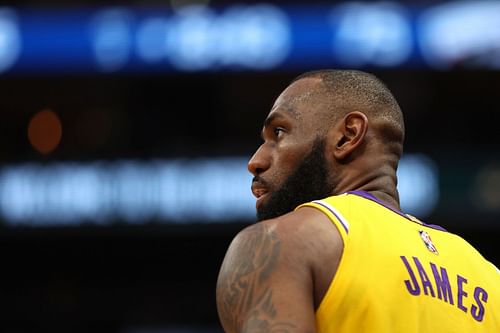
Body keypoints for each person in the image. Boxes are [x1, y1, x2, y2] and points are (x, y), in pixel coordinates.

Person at [215, 69, 500, 333]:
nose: (256, 161)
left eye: (278, 133)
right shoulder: (490, 277)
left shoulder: (284, 242)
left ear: (348, 135)